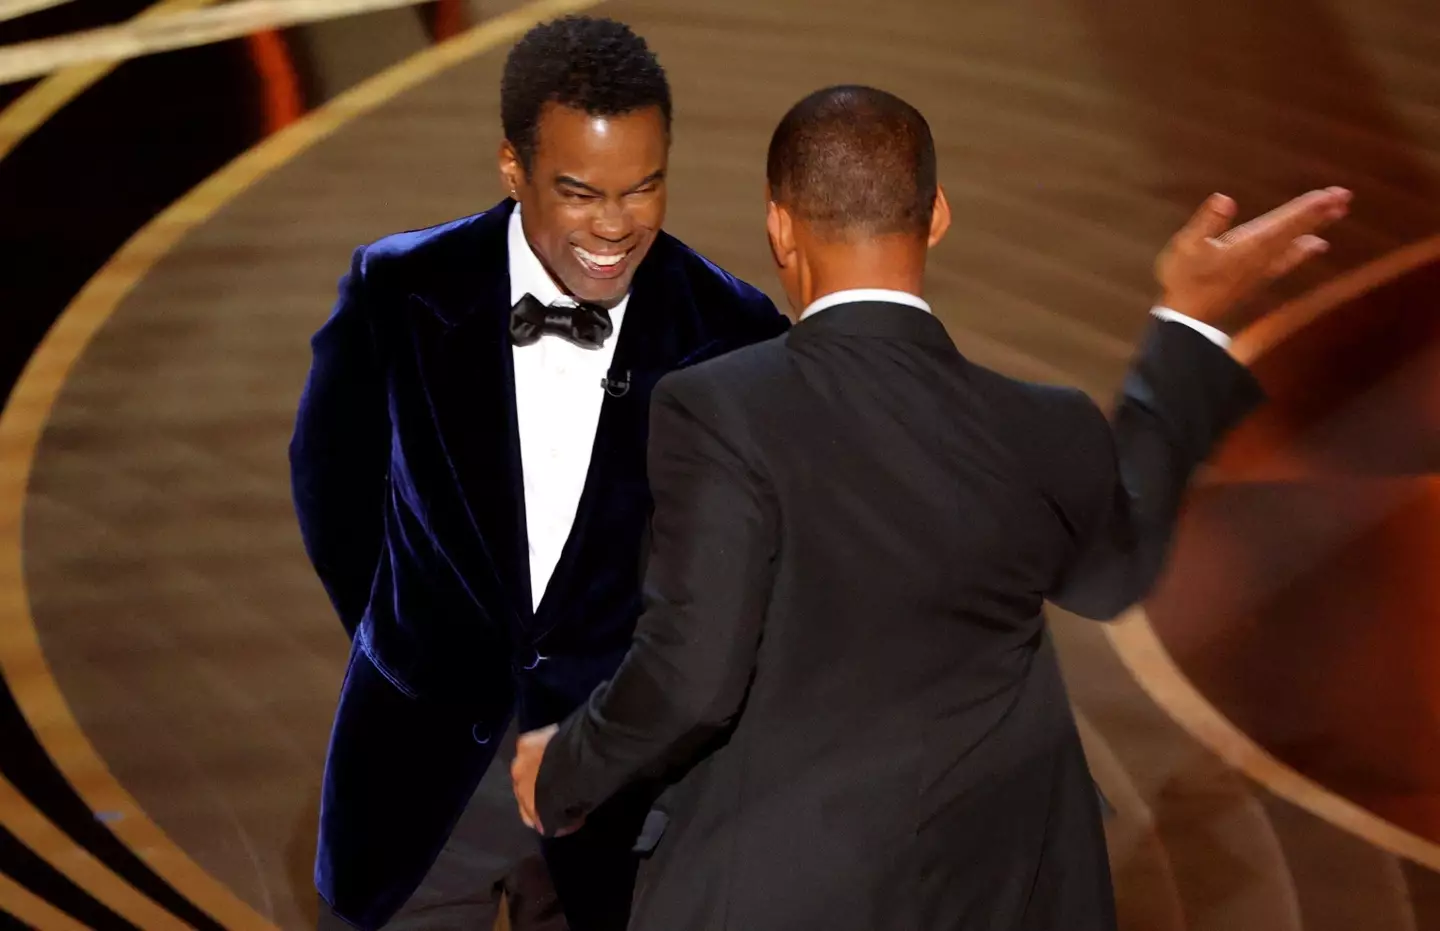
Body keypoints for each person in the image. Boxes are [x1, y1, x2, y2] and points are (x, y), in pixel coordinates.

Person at [510, 85, 1350, 930]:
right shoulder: (1044, 424)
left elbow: (692, 679)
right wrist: (1188, 318)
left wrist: (565, 769)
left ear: (780, 227)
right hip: (1006, 894)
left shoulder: (718, 407)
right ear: (937, 215)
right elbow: (1114, 567)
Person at [288, 15, 788, 931]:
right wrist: (414, 644)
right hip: (419, 788)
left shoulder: (735, 330)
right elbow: (331, 488)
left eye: (643, 188)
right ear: (513, 167)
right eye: (580, 191)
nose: (614, 224)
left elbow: (755, 574)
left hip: (628, 807)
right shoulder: (398, 290)